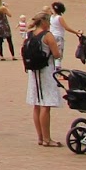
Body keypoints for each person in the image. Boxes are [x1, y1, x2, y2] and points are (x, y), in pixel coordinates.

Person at [23, 10, 62, 147]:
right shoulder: (47, 35)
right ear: (44, 22)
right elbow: (56, 55)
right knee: (46, 105)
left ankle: (40, 137)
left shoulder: (30, 34)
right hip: (45, 70)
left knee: (37, 104)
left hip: (33, 72)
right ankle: (47, 139)